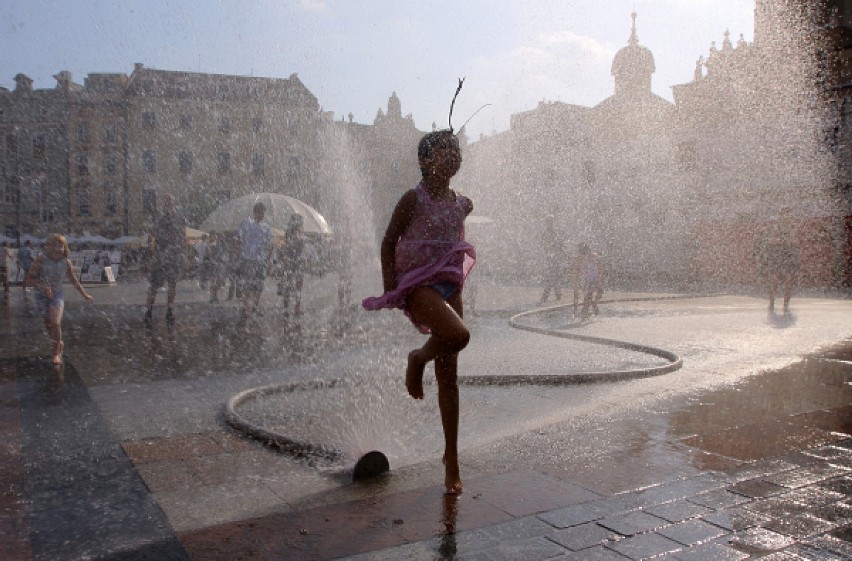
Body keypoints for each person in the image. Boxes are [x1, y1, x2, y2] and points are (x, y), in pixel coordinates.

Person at [362, 129, 475, 495]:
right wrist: (390, 287)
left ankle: (451, 458)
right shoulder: (413, 197)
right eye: (443, 151)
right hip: (417, 284)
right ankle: (417, 359)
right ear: (425, 161)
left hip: (449, 284)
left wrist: (465, 206)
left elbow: (461, 213)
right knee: (458, 336)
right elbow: (388, 241)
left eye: (455, 151)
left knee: (450, 378)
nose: (452, 156)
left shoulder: (459, 202)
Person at [25, 233, 94, 364]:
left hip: (57, 294)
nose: (58, 249)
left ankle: (56, 353)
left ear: (65, 247)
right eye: (54, 245)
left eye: (60, 246)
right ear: (48, 247)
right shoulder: (41, 259)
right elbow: (29, 279)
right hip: (40, 295)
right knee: (48, 324)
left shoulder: (66, 262)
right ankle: (58, 343)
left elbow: (73, 280)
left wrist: (84, 294)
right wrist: (43, 286)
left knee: (55, 322)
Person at [144, 193, 186, 324]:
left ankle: (169, 310)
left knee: (172, 284)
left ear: (173, 203)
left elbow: (183, 236)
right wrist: (150, 251)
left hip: (172, 255)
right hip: (161, 254)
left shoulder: (179, 217)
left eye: (170, 202)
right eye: (166, 202)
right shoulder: (159, 216)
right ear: (163, 203)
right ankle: (149, 310)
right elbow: (151, 234)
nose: (168, 204)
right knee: (155, 285)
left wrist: (184, 254)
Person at [753, 208, 799, 313]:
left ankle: (785, 305)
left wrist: (783, 241)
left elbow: (794, 241)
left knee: (789, 280)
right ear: (781, 215)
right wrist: (781, 241)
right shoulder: (775, 226)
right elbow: (771, 241)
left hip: (789, 254)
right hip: (777, 254)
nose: (786, 216)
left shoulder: (792, 226)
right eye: (784, 214)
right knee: (774, 279)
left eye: (788, 214)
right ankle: (772, 302)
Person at [237, 201, 274, 321]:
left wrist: (269, 260)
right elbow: (239, 240)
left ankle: (255, 307)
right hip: (248, 259)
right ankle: (246, 307)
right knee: (248, 285)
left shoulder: (266, 227)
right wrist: (239, 255)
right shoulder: (246, 223)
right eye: (259, 213)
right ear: (254, 212)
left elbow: (269, 245)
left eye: (263, 213)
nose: (261, 215)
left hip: (261, 260)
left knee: (259, 286)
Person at [277, 214, 305, 317]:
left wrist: (285, 262)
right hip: (296, 263)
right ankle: (295, 309)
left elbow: (286, 249)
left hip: (290, 263)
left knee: (288, 287)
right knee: (297, 288)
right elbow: (300, 249)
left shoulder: (289, 233)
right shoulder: (297, 234)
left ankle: (287, 309)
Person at [572, 243, 604, 321]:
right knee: (589, 296)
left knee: (599, 293)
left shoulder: (594, 256)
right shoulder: (579, 258)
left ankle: (592, 305)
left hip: (594, 278)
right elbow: (576, 270)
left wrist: (601, 276)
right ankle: (585, 313)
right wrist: (576, 280)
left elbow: (600, 266)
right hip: (587, 279)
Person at [539, 215, 564, 304]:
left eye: (550, 221)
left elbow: (558, 244)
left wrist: (555, 252)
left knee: (552, 276)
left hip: (554, 257)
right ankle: (557, 295)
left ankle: (546, 296)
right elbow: (545, 244)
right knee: (554, 276)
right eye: (548, 221)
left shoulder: (552, 232)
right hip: (552, 257)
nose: (549, 223)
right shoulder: (550, 232)